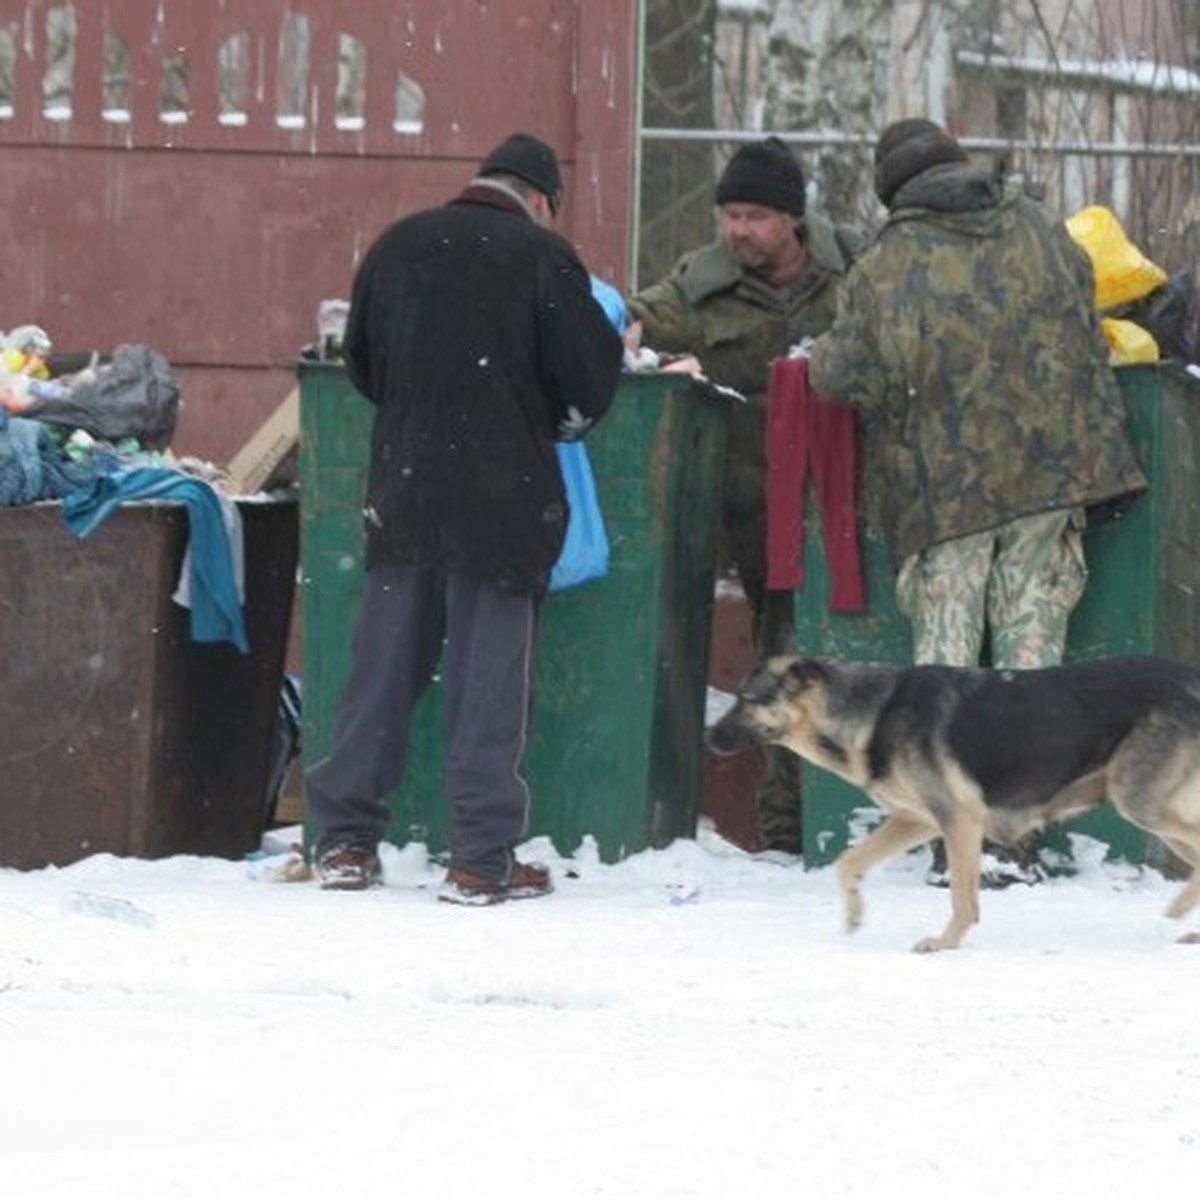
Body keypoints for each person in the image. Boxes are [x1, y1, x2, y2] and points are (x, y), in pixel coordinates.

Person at [808, 118, 1148, 883]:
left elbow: (841, 376)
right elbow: (1081, 308)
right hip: (1053, 473)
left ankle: (954, 836)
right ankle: (1015, 839)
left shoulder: (887, 263)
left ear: (892, 191)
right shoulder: (1037, 224)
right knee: (1031, 665)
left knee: (946, 667)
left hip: (944, 491)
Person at [305, 132, 624, 901]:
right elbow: (590, 383)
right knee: (487, 682)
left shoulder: (398, 245)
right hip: (502, 502)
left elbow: (361, 362)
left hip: (405, 491)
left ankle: (345, 840)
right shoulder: (543, 258)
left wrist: (425, 418)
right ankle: (480, 859)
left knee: (382, 671)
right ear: (542, 199)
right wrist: (542, 418)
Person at [627, 136, 864, 855]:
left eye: (755, 216)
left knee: (857, 663)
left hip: (855, 509)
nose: (737, 231)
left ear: (793, 220)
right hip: (762, 518)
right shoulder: (701, 284)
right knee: (782, 665)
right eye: (729, 215)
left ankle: (861, 816)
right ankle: (789, 831)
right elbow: (631, 324)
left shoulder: (857, 267)